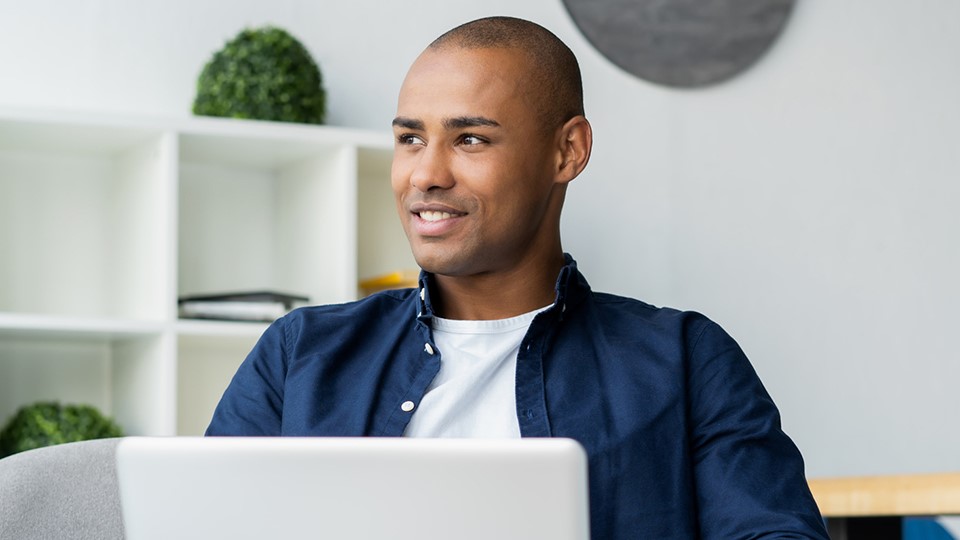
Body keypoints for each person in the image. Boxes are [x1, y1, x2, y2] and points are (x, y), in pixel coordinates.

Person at [207, 16, 829, 539]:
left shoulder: (687, 361)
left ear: (568, 152)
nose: (426, 174)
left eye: (470, 139)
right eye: (410, 139)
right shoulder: (300, 356)